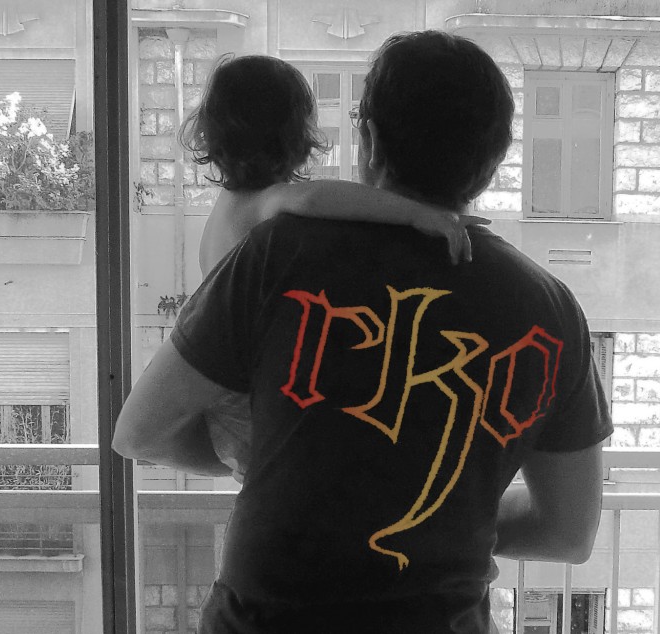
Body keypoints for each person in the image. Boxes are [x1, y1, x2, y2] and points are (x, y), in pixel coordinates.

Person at [114, 30, 612, 634]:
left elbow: (141, 432)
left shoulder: (278, 255)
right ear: (494, 159)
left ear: (369, 140)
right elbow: (568, 532)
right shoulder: (550, 310)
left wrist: (263, 465)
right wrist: (452, 521)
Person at [181, 54, 489, 479]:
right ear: (296, 134)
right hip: (249, 404)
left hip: (226, 401)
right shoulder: (266, 202)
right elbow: (313, 197)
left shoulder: (226, 208)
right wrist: (418, 214)